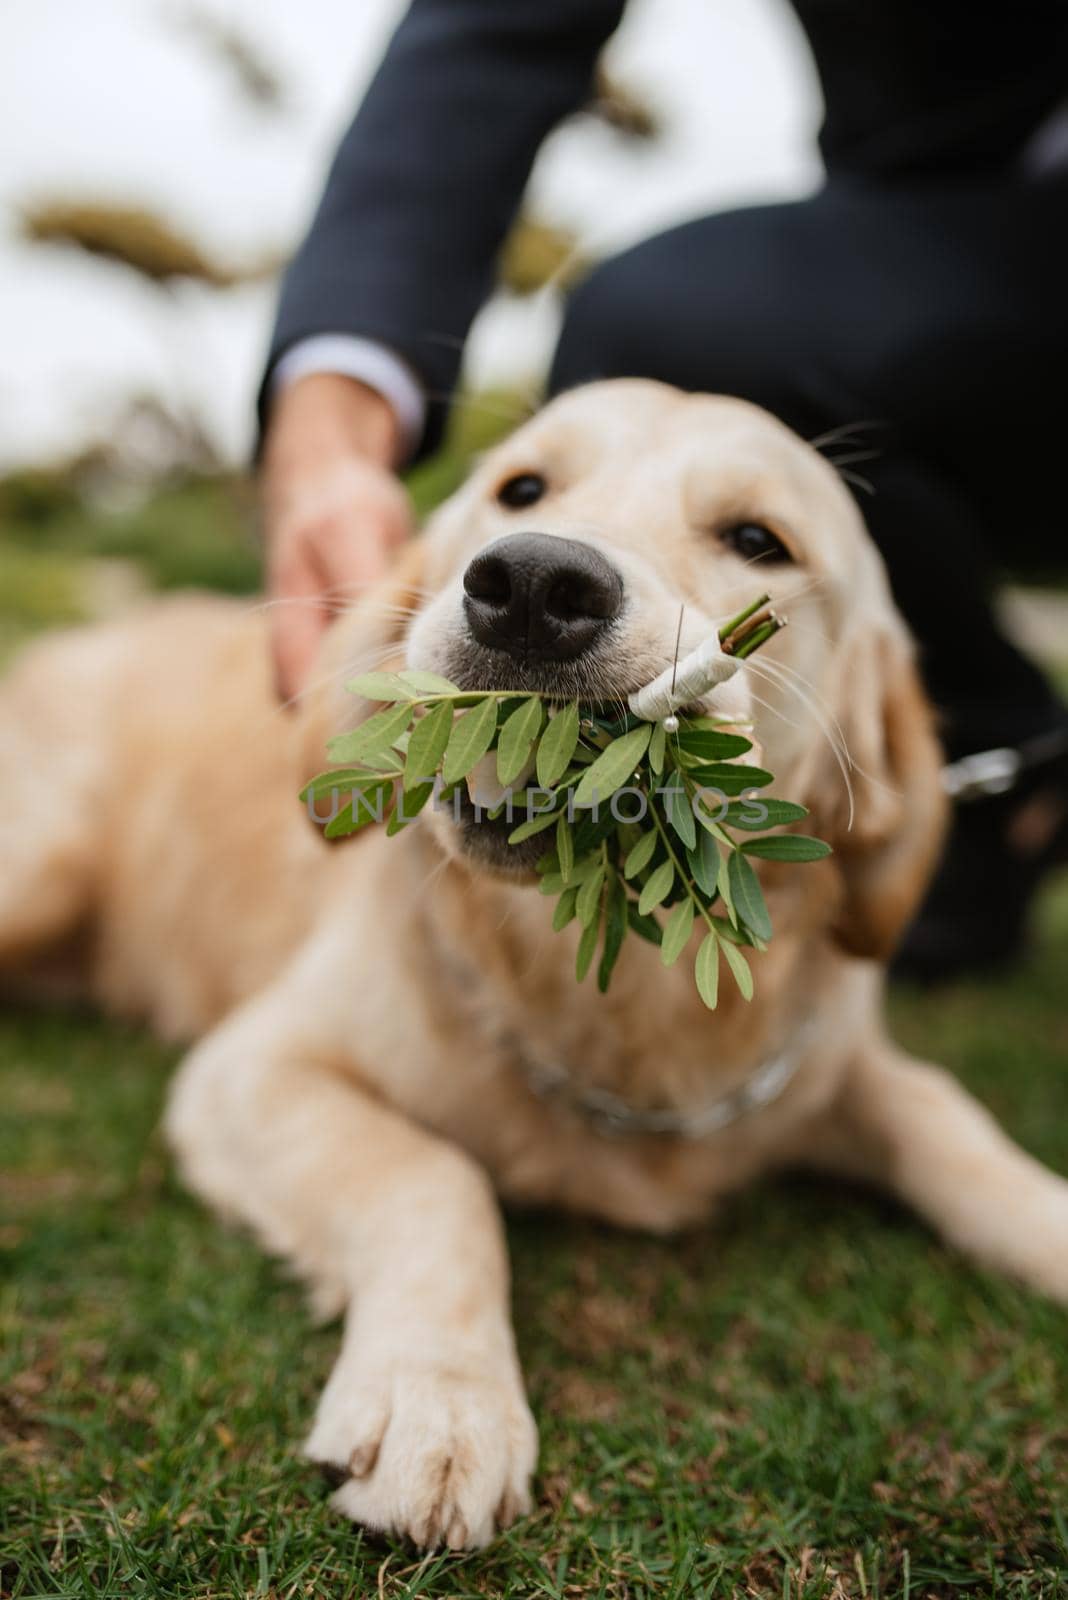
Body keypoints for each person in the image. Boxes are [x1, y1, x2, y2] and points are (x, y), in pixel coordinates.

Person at [259, 0, 1068, 976]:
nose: (561, 559)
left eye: (755, 538)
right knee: (667, 316)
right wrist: (330, 437)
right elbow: (490, 33)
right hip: (963, 227)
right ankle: (1006, 773)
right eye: (525, 491)